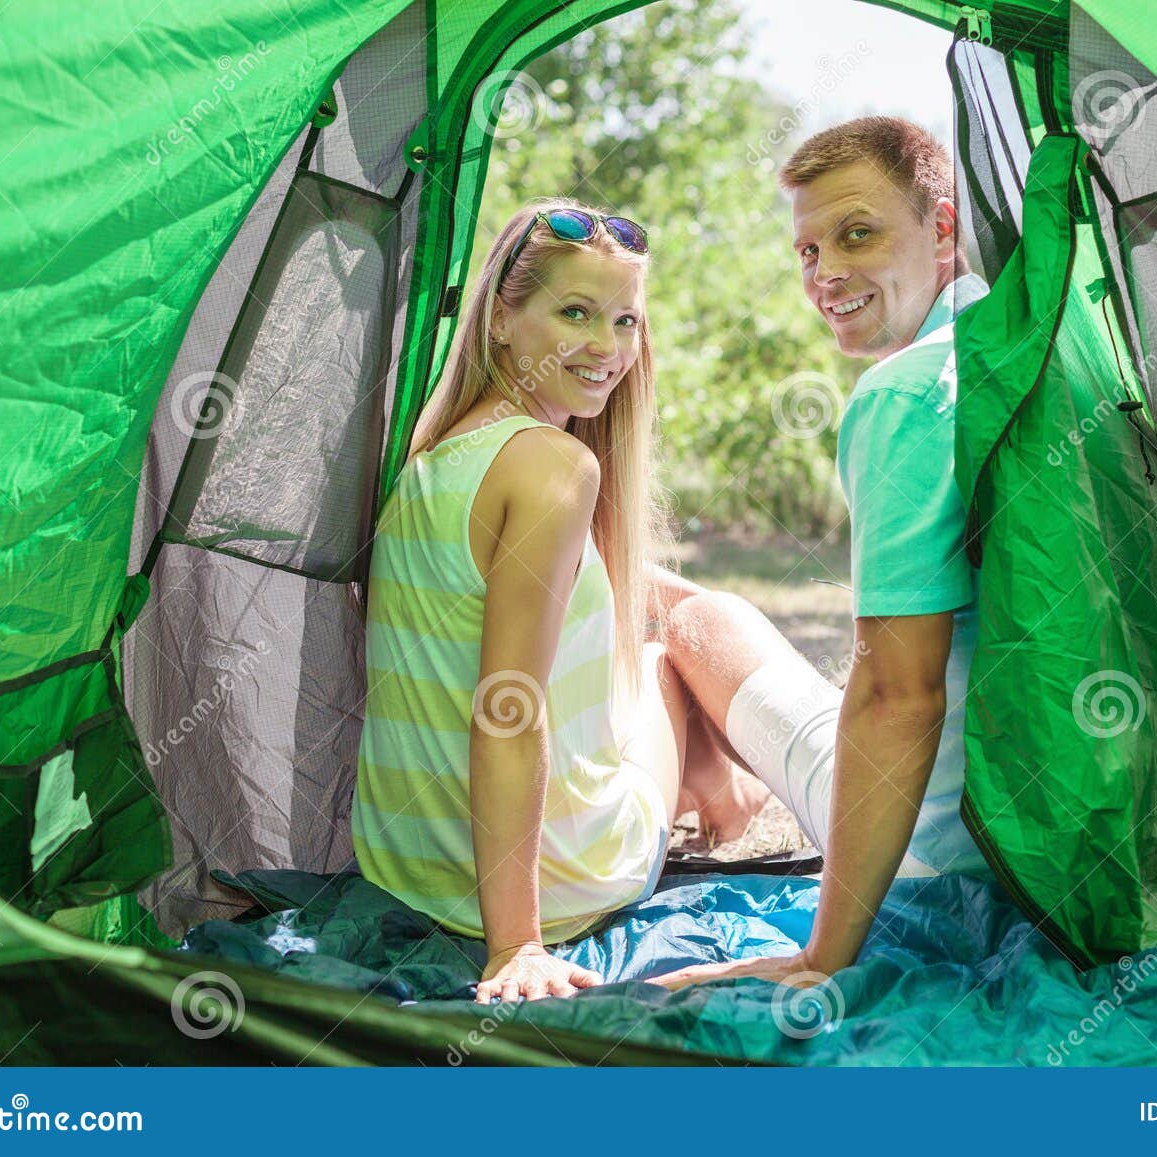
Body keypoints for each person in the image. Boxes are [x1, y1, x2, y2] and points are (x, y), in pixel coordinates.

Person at [351, 200, 776, 1003]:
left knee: (674, 612)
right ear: (501, 321)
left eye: (624, 321)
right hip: (560, 877)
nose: (608, 348)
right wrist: (517, 945)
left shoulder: (432, 458)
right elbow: (505, 712)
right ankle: (734, 790)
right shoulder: (554, 467)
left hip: (409, 866)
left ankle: (717, 783)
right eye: (574, 312)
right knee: (681, 641)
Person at [652, 116, 991, 990]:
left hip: (942, 864)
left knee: (697, 621)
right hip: (1068, 841)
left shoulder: (907, 393)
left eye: (858, 233)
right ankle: (715, 779)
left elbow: (897, 696)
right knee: (697, 617)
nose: (827, 274)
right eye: (807, 252)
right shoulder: (1032, 345)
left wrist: (821, 958)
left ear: (943, 226)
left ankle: (720, 791)